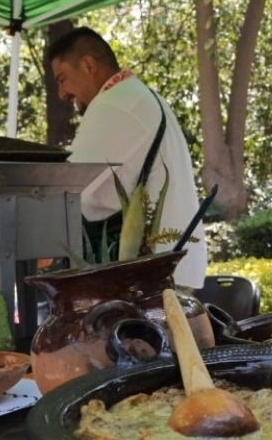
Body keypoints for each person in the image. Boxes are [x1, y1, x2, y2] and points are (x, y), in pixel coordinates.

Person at [45, 27, 207, 290]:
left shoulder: (113, 104)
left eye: (62, 78)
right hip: (171, 264)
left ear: (88, 65)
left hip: (152, 274)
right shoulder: (137, 95)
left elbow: (78, 194)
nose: (62, 93)